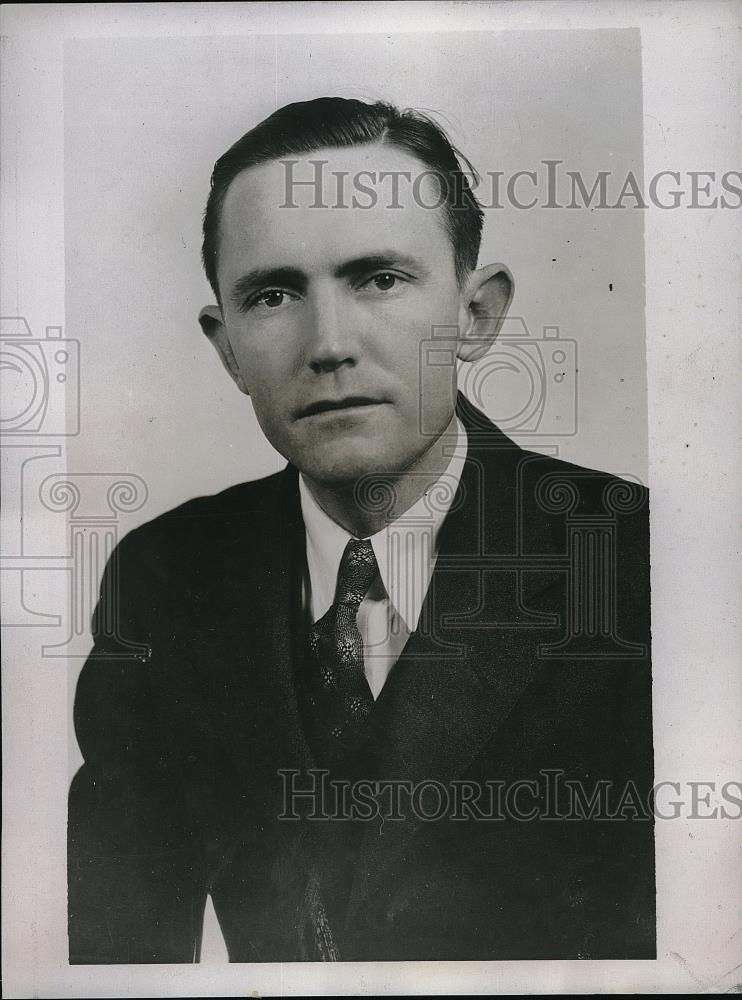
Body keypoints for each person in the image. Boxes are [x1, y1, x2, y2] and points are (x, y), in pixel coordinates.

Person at [68, 97, 655, 963]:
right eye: (273, 295)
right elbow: (114, 962)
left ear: (477, 314)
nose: (328, 343)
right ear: (226, 346)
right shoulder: (166, 578)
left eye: (379, 279)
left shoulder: (643, 564)